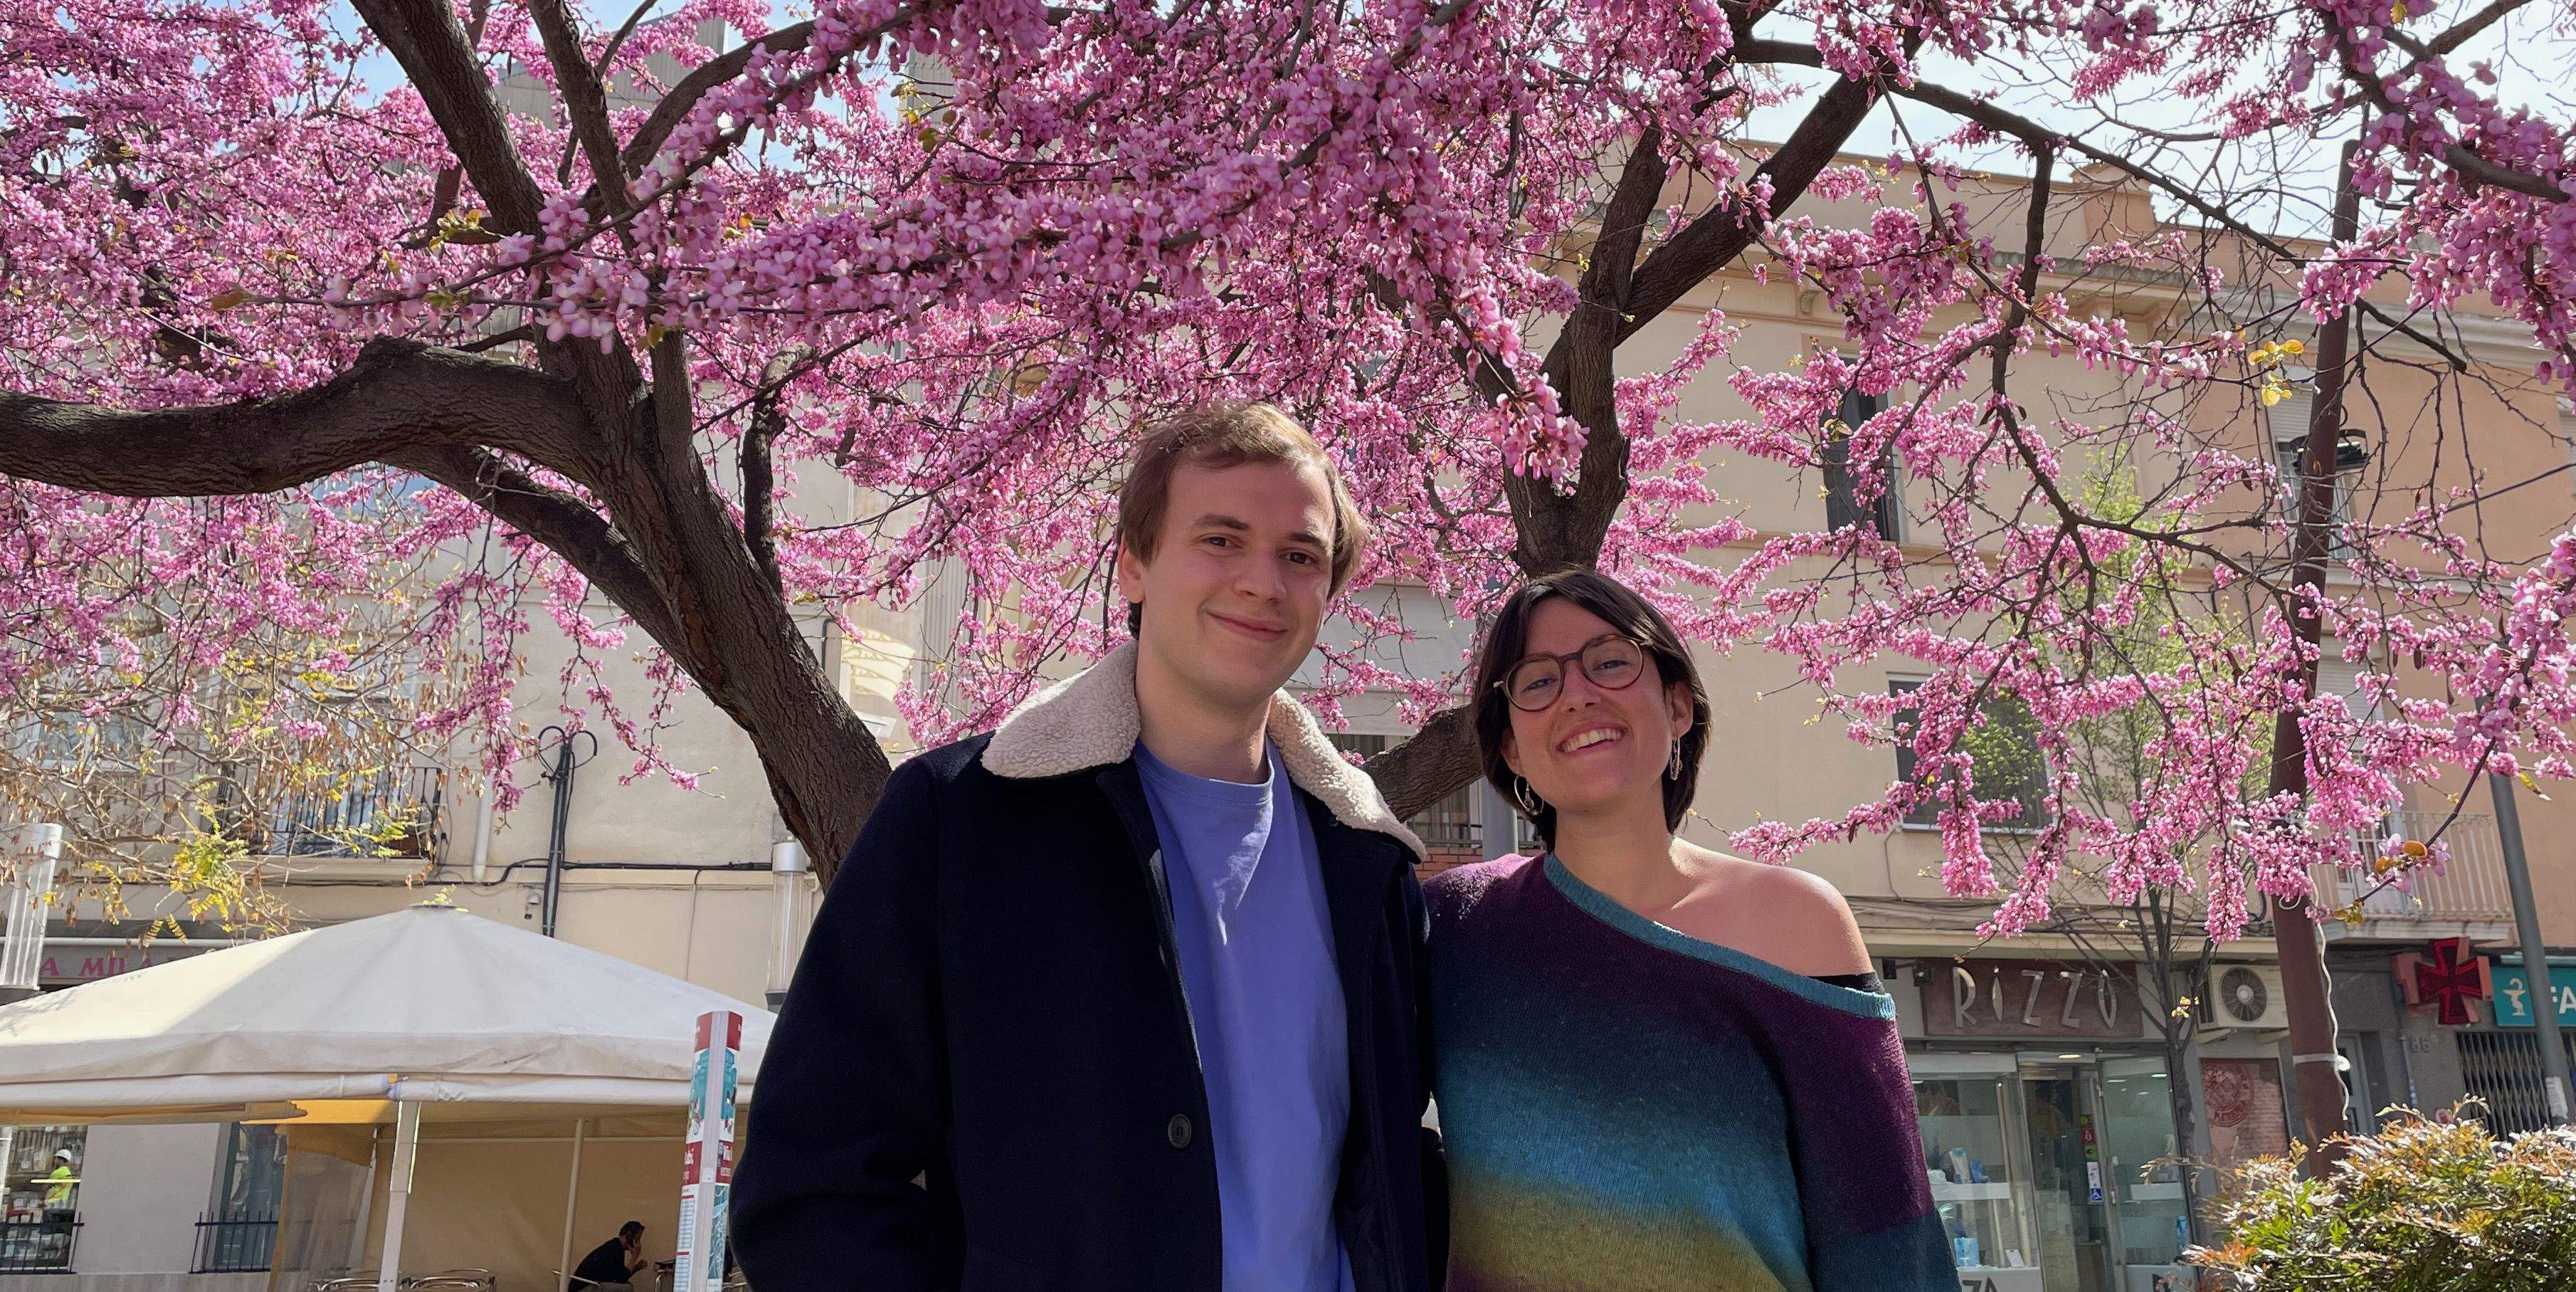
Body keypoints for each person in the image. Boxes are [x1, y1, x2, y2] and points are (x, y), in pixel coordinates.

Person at [734, 403, 1442, 1290]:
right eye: (1221, 540)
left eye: (1300, 556)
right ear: (1134, 566)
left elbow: (1390, 1174)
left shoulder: (1368, 866)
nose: (1264, 581)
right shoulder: (961, 821)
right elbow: (812, 1185)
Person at [1427, 568, 1959, 1292]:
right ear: (1512, 750)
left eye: (1611, 662)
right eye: (1537, 682)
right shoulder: (1456, 926)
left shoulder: (1796, 924)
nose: (1579, 694)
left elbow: (1886, 1235)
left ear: (1678, 706)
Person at [569, 1222, 645, 1288]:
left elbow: (621, 1277)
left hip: (592, 1285)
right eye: (637, 1240)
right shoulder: (614, 1249)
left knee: (627, 1286)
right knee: (627, 1288)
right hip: (585, 1287)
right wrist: (635, 1257)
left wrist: (636, 1268)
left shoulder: (616, 1246)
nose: (638, 1244)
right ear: (629, 1236)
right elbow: (621, 1279)